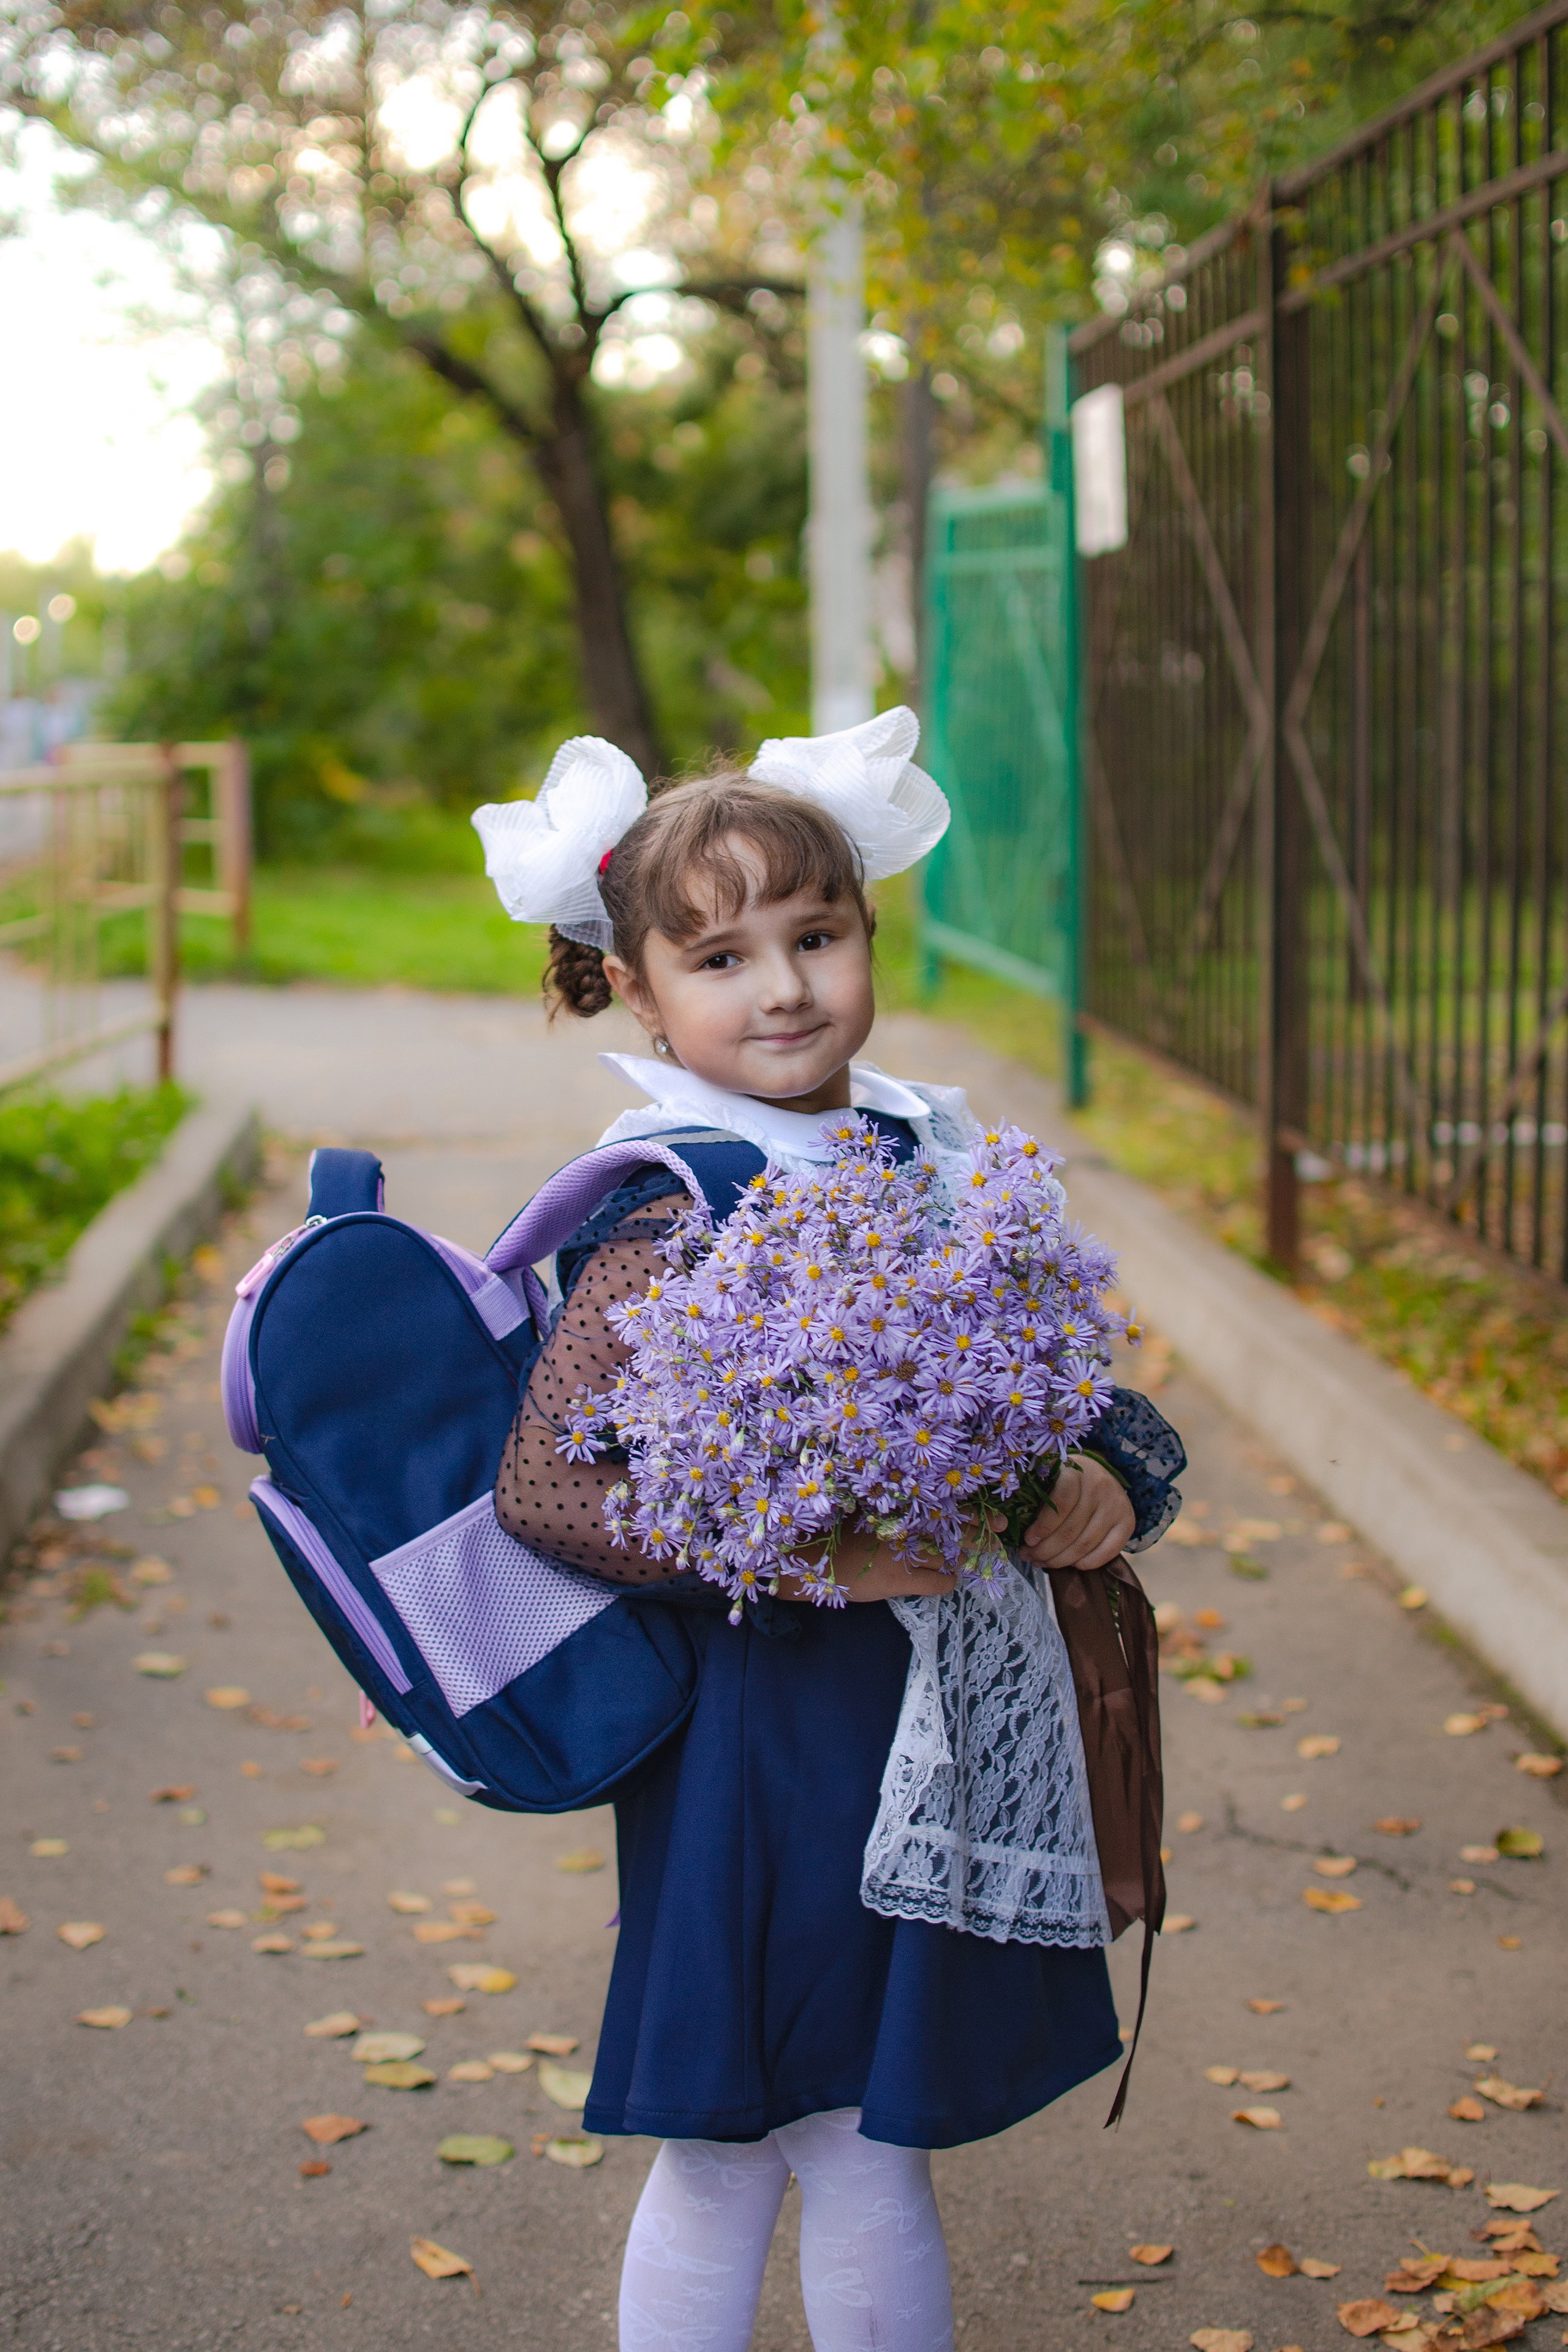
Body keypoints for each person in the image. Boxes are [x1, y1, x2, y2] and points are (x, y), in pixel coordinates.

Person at [470, 708, 1183, 2352]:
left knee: (874, 2146)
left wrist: (1104, 1482)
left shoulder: (931, 1149)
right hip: (759, 1757)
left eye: (817, 935)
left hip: (918, 1740)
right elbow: (556, 1491)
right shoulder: (671, 1200)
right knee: (746, 2151)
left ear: (869, 932)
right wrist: (816, 1559)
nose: (783, 987)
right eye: (719, 957)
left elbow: (1063, 1393)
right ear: (636, 987)